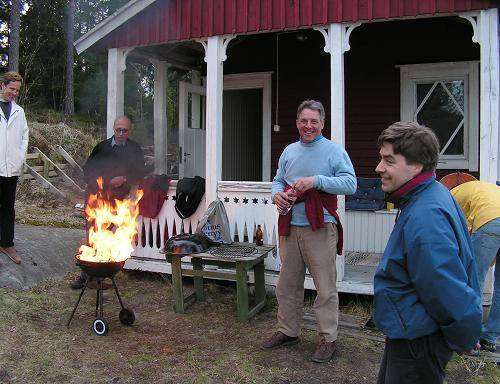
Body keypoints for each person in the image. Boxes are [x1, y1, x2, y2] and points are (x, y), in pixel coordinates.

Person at [373, 122, 482, 384]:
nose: (379, 168)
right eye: (381, 159)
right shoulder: (427, 196)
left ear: (416, 165)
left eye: (389, 160)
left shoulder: (426, 215)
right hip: (410, 330)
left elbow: (444, 285)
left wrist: (464, 333)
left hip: (418, 340)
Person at [262, 100, 357, 363]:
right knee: (287, 285)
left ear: (322, 124)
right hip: (291, 225)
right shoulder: (289, 151)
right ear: (297, 122)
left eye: (314, 121)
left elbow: (350, 183)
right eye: (304, 121)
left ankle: (328, 339)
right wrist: (276, 195)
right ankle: (288, 331)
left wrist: (316, 181)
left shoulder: (333, 151)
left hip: (320, 226)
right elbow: (279, 179)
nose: (308, 126)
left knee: (325, 287)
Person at [70, 115, 147, 289]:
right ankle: (86, 275)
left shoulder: (134, 149)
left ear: (129, 131)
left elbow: (140, 172)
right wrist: (105, 182)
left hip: (119, 202)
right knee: (93, 235)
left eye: (124, 130)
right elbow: (87, 171)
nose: (121, 133)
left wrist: (124, 179)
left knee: (110, 236)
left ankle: (104, 272)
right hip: (97, 199)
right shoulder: (102, 147)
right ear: (114, 129)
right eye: (118, 129)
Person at [445, 179, 500, 353]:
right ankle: (490, 338)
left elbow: (455, 231)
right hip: (491, 220)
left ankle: (469, 339)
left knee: (473, 280)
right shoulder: (482, 189)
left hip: (490, 220)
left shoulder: (449, 196)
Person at [0, 71, 28, 265]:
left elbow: (24, 136)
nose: (14, 93)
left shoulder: (19, 111)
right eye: (12, 89)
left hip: (11, 169)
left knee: (8, 208)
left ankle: (6, 243)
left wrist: (19, 158)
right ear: (2, 85)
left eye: (17, 90)